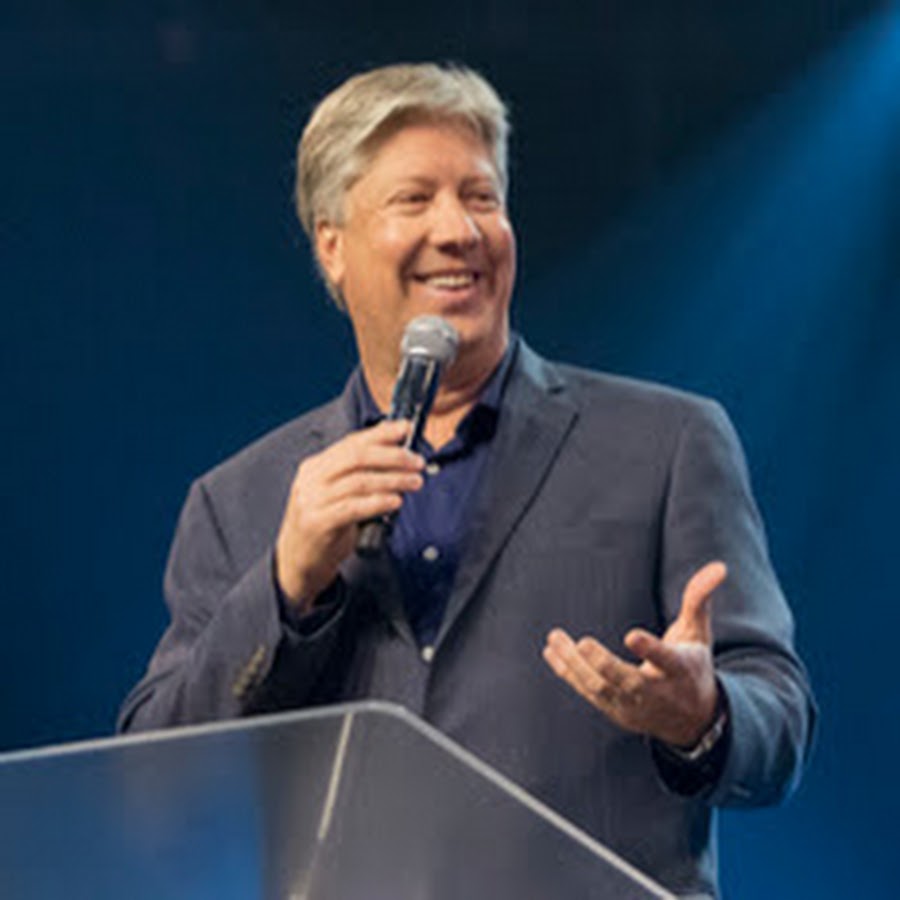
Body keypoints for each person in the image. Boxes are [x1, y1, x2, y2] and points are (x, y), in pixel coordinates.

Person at [119, 63, 815, 896]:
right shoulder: (240, 501)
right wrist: (283, 586)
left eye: (481, 197)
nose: (459, 230)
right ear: (331, 246)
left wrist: (702, 714)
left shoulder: (668, 444)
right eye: (414, 199)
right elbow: (157, 790)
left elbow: (779, 720)